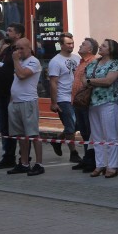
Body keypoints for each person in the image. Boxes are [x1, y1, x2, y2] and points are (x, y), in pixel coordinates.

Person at [83, 39, 118, 178]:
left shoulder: (116, 63)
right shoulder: (94, 62)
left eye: (104, 45)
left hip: (109, 102)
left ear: (111, 49)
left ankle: (112, 166)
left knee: (110, 135)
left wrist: (90, 81)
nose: (100, 47)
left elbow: (108, 81)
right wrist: (90, 81)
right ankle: (99, 164)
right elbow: (84, 79)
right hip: (93, 102)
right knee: (97, 136)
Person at [6, 38, 44, 176]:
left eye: (21, 48)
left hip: (28, 102)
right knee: (20, 135)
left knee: (33, 134)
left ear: (29, 48)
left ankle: (39, 164)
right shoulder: (20, 62)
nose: (18, 51)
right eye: (16, 48)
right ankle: (24, 163)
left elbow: (22, 75)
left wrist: (15, 60)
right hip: (15, 102)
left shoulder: (33, 61)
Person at [0, 23, 24, 170]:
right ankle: (8, 157)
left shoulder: (20, 51)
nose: (7, 33)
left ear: (18, 35)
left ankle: (22, 158)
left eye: (10, 31)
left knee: (15, 128)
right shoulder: (7, 50)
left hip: (13, 96)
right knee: (5, 127)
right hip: (1, 96)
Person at [48, 32, 82, 163]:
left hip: (76, 97)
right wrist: (54, 102)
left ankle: (57, 140)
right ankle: (73, 153)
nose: (71, 45)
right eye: (68, 44)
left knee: (76, 124)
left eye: (72, 43)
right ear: (61, 45)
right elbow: (53, 83)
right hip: (63, 98)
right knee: (70, 126)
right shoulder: (55, 61)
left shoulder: (77, 58)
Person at [71, 37, 99, 172]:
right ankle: (86, 158)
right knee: (83, 132)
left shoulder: (93, 62)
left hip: (86, 102)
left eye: (83, 44)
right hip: (78, 102)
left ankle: (91, 160)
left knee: (89, 132)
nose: (80, 45)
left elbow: (89, 81)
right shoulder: (81, 62)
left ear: (90, 49)